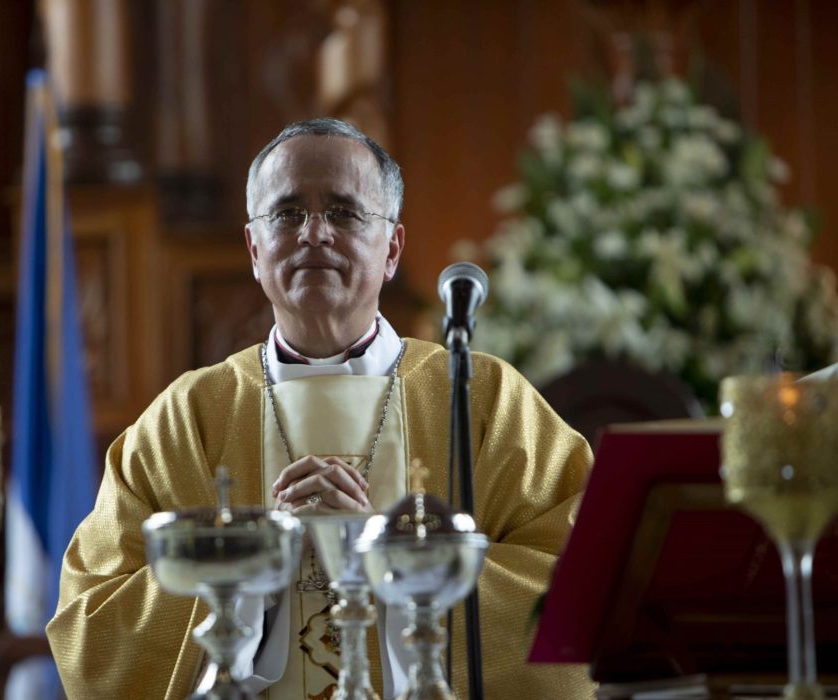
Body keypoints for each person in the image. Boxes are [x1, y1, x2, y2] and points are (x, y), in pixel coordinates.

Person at [47, 118, 595, 699]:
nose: (314, 234)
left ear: (392, 248)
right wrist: (251, 570)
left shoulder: (481, 399)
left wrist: (393, 563)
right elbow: (91, 629)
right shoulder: (188, 418)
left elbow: (580, 591)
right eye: (286, 214)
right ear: (255, 250)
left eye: (343, 212)